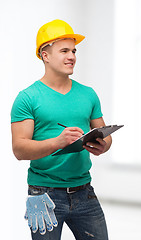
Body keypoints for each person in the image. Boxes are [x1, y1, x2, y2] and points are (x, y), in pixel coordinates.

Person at [11, 19, 111, 240]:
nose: (72, 56)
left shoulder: (88, 94)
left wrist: (103, 145)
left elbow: (105, 133)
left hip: (84, 191)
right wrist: (59, 141)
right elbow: (19, 149)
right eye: (64, 50)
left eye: (74, 51)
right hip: (43, 194)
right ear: (45, 55)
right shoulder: (27, 98)